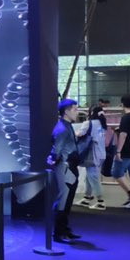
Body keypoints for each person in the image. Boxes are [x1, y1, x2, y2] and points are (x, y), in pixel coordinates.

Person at [48, 99, 83, 242]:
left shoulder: (66, 126)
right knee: (63, 200)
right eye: (75, 109)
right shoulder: (62, 128)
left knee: (66, 200)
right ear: (66, 111)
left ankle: (64, 230)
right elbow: (57, 150)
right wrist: (53, 159)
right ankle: (58, 233)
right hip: (65, 167)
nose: (77, 112)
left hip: (69, 166)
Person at [78, 103, 107, 210]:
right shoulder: (102, 124)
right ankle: (87, 197)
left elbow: (79, 134)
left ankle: (101, 201)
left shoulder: (88, 123)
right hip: (101, 154)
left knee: (93, 177)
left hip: (92, 154)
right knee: (89, 175)